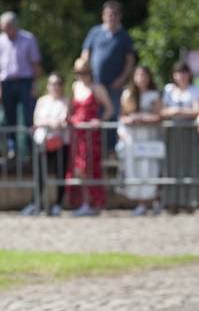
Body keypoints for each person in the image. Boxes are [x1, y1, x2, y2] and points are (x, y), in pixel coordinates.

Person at [81, 0, 135, 147]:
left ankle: (111, 150)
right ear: (103, 16)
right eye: (109, 14)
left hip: (114, 86)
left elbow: (130, 60)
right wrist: (84, 75)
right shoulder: (95, 32)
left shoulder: (124, 36)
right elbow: (85, 54)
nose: (111, 18)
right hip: (96, 85)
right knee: (94, 116)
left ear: (119, 17)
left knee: (113, 117)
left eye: (114, 15)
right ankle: (95, 150)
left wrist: (122, 78)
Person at [0, 11, 42, 157]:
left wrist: (34, 85)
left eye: (7, 27)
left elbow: (35, 64)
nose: (5, 31)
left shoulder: (28, 38)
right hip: (6, 82)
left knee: (29, 117)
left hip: (25, 81)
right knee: (9, 118)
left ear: (15, 25)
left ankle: (32, 149)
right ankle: (12, 148)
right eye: (3, 28)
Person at [66, 57, 113, 216]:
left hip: (91, 136)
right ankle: (84, 202)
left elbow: (109, 109)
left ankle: (94, 203)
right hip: (77, 135)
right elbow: (72, 109)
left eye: (84, 72)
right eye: (78, 72)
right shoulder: (75, 87)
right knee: (78, 169)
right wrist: (70, 118)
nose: (81, 76)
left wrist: (99, 121)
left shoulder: (97, 88)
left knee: (90, 168)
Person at [116, 65, 163, 215]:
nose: (142, 78)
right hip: (134, 138)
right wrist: (130, 120)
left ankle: (154, 201)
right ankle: (141, 203)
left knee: (150, 168)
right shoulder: (128, 94)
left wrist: (143, 119)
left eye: (144, 75)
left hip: (150, 137)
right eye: (139, 75)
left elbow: (159, 116)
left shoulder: (154, 95)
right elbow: (122, 116)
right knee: (135, 169)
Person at [21, 73, 70, 216]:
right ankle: (34, 203)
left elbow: (62, 121)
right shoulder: (42, 101)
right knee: (40, 175)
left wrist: (49, 123)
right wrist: (50, 123)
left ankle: (58, 204)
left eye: (58, 84)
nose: (55, 87)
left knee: (60, 174)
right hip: (42, 142)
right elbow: (37, 121)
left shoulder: (66, 101)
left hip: (60, 143)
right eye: (52, 83)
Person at [160, 61, 199, 211]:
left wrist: (176, 111)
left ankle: (190, 201)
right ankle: (172, 201)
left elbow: (196, 110)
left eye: (184, 72)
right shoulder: (169, 90)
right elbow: (162, 111)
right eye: (178, 73)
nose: (181, 76)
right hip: (172, 133)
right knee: (172, 165)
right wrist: (176, 111)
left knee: (189, 165)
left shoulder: (194, 90)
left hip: (189, 134)